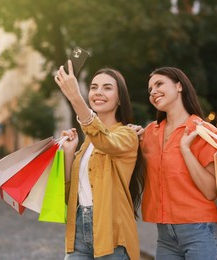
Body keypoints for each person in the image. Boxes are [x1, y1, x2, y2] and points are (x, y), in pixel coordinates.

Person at [131, 67, 217, 259]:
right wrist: (129, 138)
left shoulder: (204, 131)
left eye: (159, 84)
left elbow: (211, 191)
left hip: (202, 231)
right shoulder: (151, 132)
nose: (153, 92)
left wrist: (185, 149)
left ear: (179, 86)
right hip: (166, 236)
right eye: (150, 89)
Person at [54, 61, 144, 260]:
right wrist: (69, 153)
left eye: (107, 88)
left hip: (112, 235)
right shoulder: (87, 143)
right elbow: (69, 192)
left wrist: (75, 97)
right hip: (78, 232)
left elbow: (106, 141)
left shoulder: (127, 135)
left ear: (120, 99)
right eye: (94, 87)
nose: (98, 92)